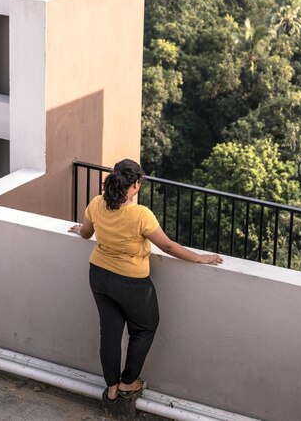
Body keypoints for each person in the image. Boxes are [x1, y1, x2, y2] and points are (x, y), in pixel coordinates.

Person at [68, 158, 223, 403]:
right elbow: (168, 246)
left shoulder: (97, 203)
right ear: (136, 184)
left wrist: (79, 230)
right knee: (145, 327)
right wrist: (199, 258)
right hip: (131, 282)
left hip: (98, 274)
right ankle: (128, 383)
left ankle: (111, 387)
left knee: (109, 332)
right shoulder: (140, 214)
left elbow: (87, 233)